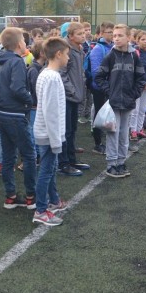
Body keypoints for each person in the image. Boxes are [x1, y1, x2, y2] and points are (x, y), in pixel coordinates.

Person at [0, 28, 37, 211]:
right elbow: (18, 88)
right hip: (16, 115)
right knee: (29, 155)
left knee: (9, 156)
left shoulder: (1, 62)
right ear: (20, 44)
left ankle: (10, 196)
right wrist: (32, 101)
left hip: (2, 113)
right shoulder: (17, 62)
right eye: (24, 41)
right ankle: (31, 196)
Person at [95, 24, 145, 179]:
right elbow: (99, 77)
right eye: (114, 35)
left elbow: (141, 78)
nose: (116, 38)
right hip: (114, 103)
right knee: (113, 133)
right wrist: (111, 92)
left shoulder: (134, 56)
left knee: (124, 135)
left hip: (128, 103)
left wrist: (134, 94)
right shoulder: (110, 56)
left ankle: (121, 162)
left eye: (120, 35)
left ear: (128, 37)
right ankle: (111, 165)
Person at [32, 37, 70, 226]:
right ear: (58, 54)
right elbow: (51, 112)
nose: (68, 58)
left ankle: (54, 201)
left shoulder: (45, 74)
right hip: (48, 134)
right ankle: (40, 210)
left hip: (47, 132)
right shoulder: (52, 77)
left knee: (51, 168)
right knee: (46, 171)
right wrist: (56, 140)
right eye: (67, 54)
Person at [58, 22, 90, 177]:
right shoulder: (67, 51)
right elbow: (62, 74)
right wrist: (72, 91)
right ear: (70, 36)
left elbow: (79, 73)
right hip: (67, 97)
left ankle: (72, 159)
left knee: (72, 130)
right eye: (79, 34)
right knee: (66, 131)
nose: (83, 36)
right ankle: (63, 163)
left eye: (83, 33)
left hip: (75, 96)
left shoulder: (80, 49)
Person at [88, 21, 114, 155]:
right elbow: (96, 72)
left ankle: (108, 140)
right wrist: (106, 86)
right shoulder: (98, 49)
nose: (112, 34)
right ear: (102, 33)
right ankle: (97, 143)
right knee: (99, 115)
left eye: (113, 32)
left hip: (111, 88)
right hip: (100, 88)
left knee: (110, 116)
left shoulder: (113, 47)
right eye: (109, 32)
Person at [130, 31, 146, 141]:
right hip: (137, 86)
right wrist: (143, 83)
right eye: (142, 39)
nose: (145, 41)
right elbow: (134, 70)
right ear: (137, 40)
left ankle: (140, 129)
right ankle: (133, 130)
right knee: (135, 110)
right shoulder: (135, 53)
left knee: (143, 109)